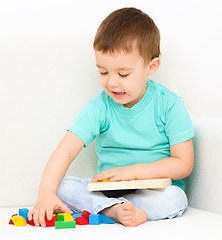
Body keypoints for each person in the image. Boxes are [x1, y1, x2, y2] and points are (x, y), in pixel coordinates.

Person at [28, 7, 194, 227]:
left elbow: (184, 164)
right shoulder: (99, 108)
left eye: (123, 74)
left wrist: (133, 172)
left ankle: (131, 211)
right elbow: (66, 150)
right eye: (103, 72)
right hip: (107, 194)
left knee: (176, 198)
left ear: (151, 66)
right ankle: (114, 210)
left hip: (153, 192)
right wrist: (46, 192)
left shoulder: (169, 105)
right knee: (60, 185)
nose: (112, 82)